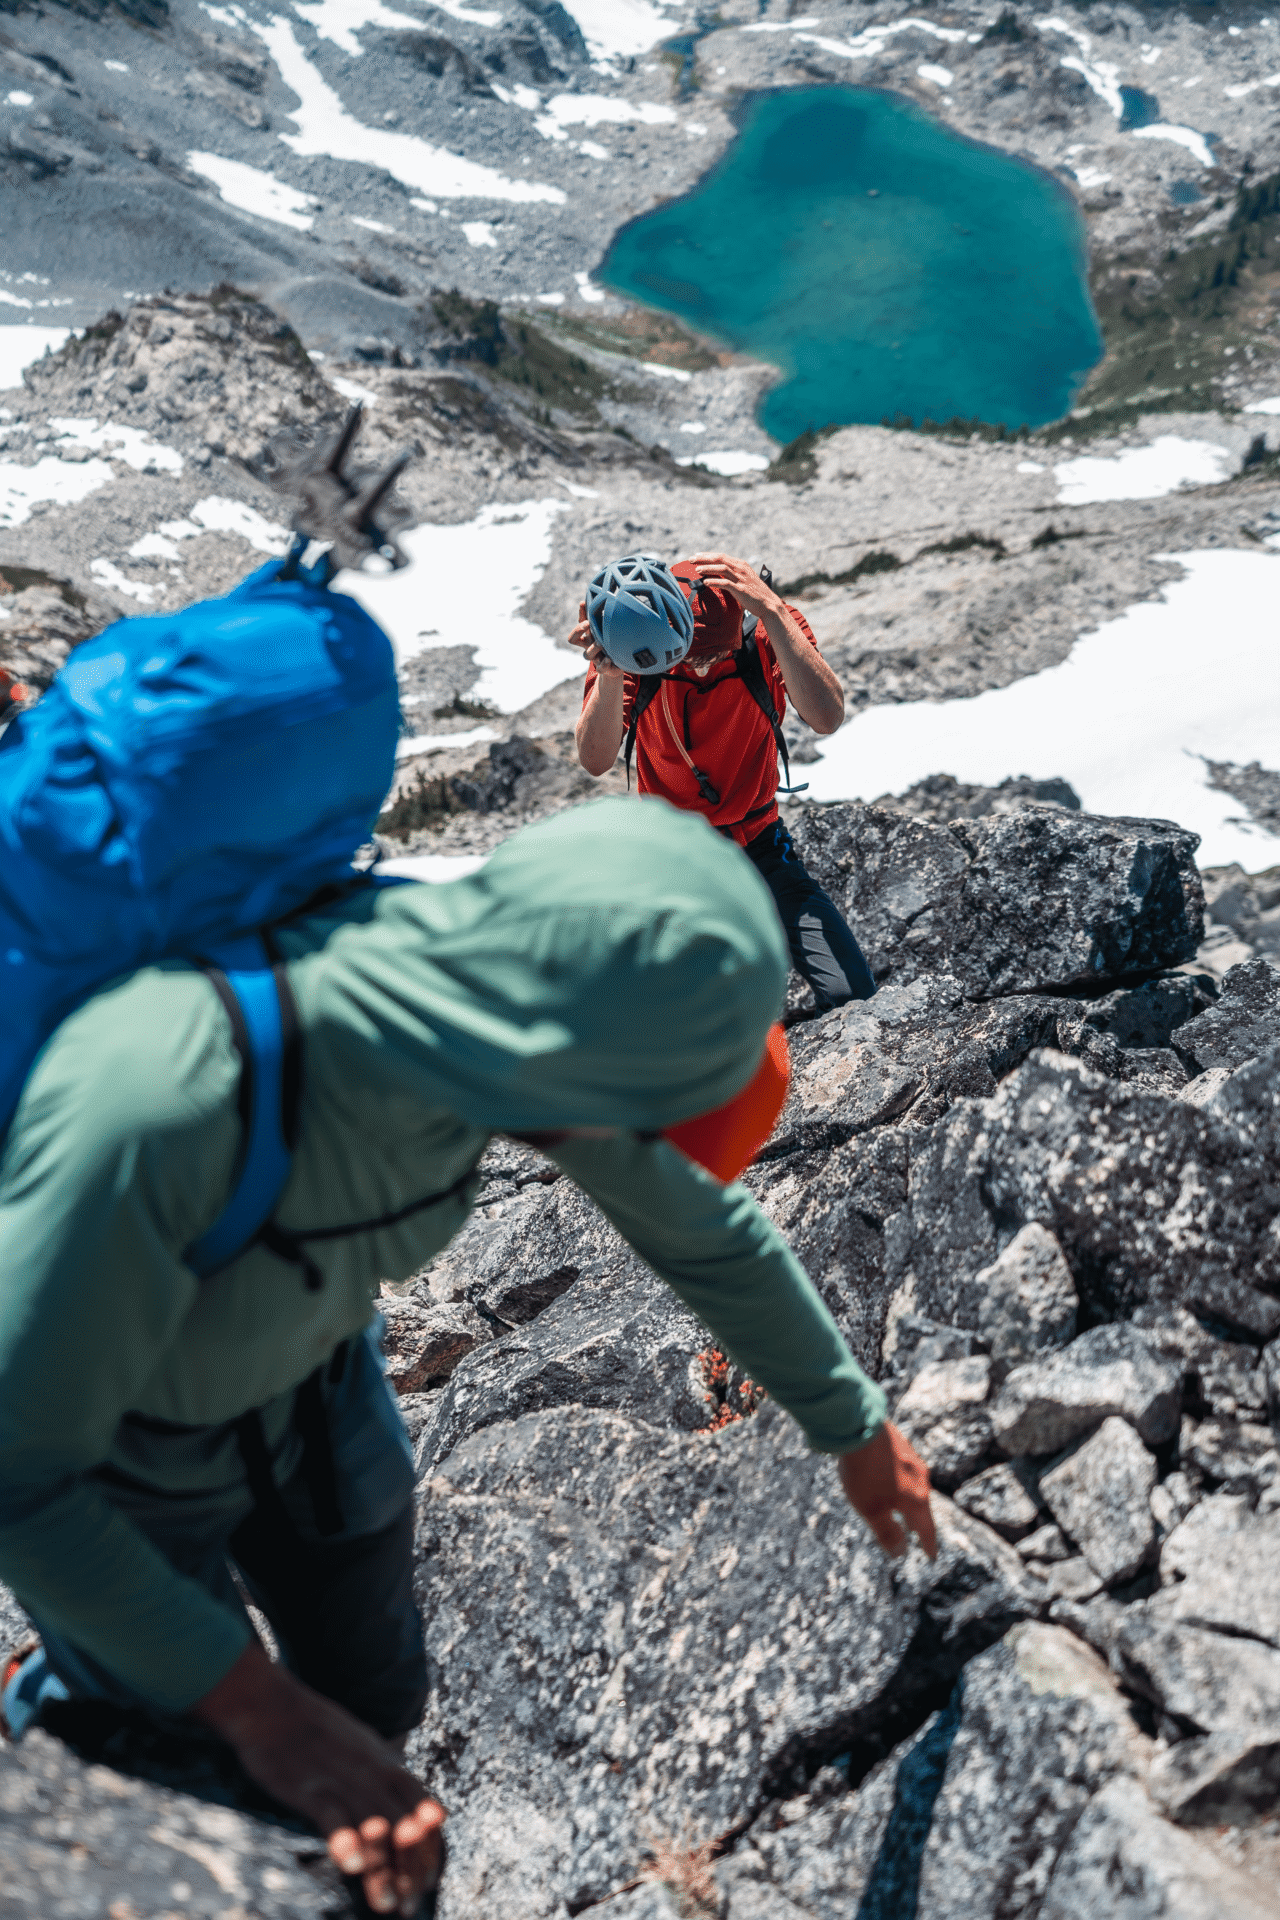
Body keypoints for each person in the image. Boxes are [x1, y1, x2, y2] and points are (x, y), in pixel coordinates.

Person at [0, 799, 934, 1918]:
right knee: (189, 1768)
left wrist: (853, 1426)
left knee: (375, 1694)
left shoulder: (502, 1001)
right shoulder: (158, 1096)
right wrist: (257, 1711)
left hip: (317, 1395)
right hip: (119, 1457)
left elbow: (696, 1228)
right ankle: (50, 1719)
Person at [573, 552, 877, 1012]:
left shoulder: (771, 627)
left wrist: (772, 611)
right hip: (674, 856)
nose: (699, 668)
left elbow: (827, 717)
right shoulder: (640, 642)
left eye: (715, 656)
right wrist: (610, 675)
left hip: (758, 841)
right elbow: (595, 759)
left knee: (852, 995)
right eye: (690, 656)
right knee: (696, 1014)